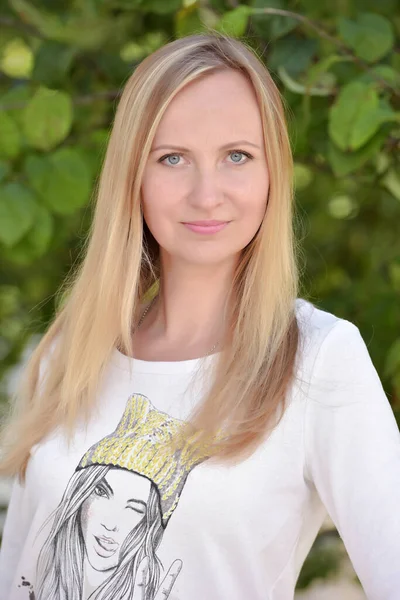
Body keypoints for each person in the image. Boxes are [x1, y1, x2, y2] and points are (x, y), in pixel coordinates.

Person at [0, 32, 399, 600]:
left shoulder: (319, 358)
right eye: (172, 158)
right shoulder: (73, 352)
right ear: (132, 178)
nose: (206, 194)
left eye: (237, 156)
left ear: (272, 174)